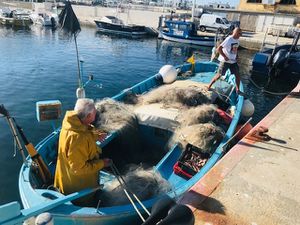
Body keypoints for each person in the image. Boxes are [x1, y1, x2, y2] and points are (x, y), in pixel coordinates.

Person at [54, 98, 111, 207]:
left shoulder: (70, 123)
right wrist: (102, 163)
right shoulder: (77, 139)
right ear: (88, 116)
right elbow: (78, 169)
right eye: (94, 113)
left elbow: (84, 131)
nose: (96, 115)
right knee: (85, 203)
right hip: (77, 188)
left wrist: (96, 136)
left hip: (64, 177)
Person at [207, 27, 243, 95]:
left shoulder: (237, 40)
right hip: (225, 61)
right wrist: (225, 56)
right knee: (219, 75)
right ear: (234, 32)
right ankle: (209, 86)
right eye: (239, 33)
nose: (240, 35)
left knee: (237, 75)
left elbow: (235, 50)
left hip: (233, 61)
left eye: (240, 34)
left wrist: (237, 56)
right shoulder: (229, 39)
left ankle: (238, 89)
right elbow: (219, 49)